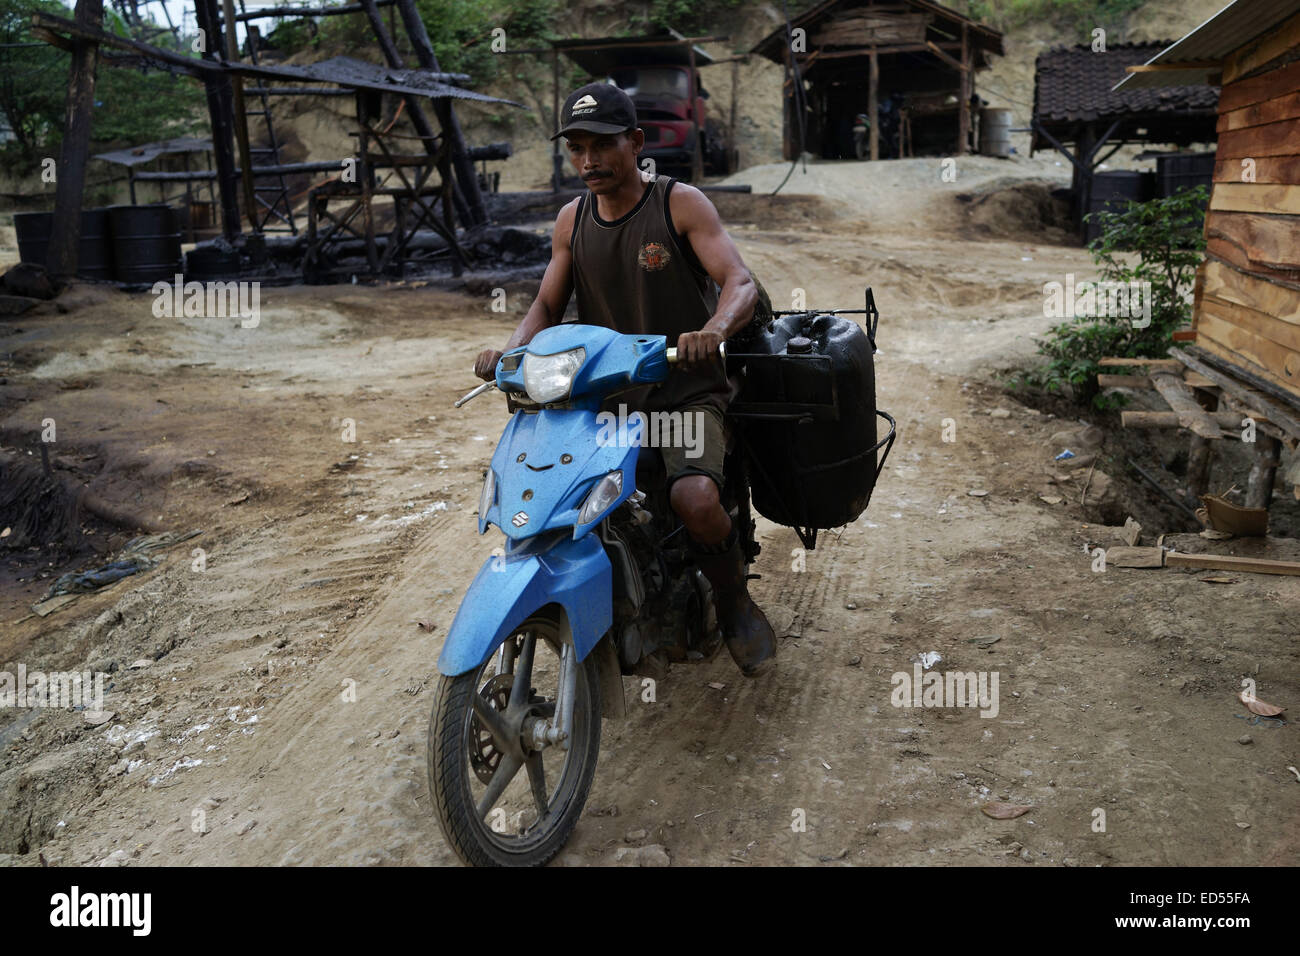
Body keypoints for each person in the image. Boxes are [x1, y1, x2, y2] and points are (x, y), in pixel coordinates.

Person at [473, 82, 776, 677]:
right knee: (553, 500)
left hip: (684, 395)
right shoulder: (572, 219)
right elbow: (545, 307)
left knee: (694, 497)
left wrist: (711, 331)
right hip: (601, 402)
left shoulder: (679, 204)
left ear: (635, 143)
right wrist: (510, 358)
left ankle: (735, 599)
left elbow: (738, 281)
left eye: (602, 145)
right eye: (577, 147)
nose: (589, 160)